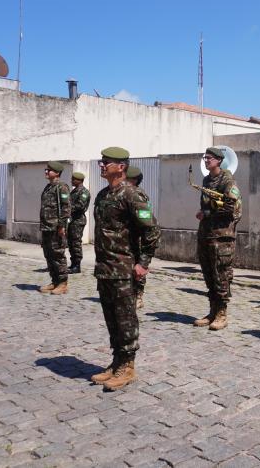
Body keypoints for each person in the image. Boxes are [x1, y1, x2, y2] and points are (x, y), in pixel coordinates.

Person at [89, 147, 160, 391]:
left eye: (106, 162)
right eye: (101, 161)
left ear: (121, 167)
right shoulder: (102, 195)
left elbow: (151, 231)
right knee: (111, 318)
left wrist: (143, 263)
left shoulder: (133, 195)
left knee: (125, 318)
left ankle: (128, 366)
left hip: (124, 268)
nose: (101, 165)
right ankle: (117, 361)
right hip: (105, 267)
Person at [193, 147, 242, 331]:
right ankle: (212, 311)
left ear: (219, 161)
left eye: (210, 158)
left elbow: (230, 207)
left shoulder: (227, 180)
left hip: (222, 236)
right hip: (206, 234)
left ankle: (222, 312)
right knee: (208, 273)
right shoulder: (206, 180)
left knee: (221, 273)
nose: (206, 161)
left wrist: (206, 212)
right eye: (205, 157)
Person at [39, 161, 72, 295]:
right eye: (46, 170)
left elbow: (66, 207)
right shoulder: (48, 187)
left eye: (49, 170)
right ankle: (54, 281)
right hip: (46, 226)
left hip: (56, 227)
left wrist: (62, 226)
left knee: (58, 255)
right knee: (48, 255)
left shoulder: (61, 187)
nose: (46, 172)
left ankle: (63, 283)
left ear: (57, 173)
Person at [126, 166, 147, 309]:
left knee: (138, 267)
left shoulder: (139, 194)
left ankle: (139, 295)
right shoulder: (124, 193)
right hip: (127, 237)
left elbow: (146, 218)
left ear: (133, 180)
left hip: (137, 237)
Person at [67, 172, 91, 274]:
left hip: (78, 220)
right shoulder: (74, 191)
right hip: (72, 220)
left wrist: (67, 209)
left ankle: (77, 265)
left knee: (76, 243)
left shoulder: (84, 192)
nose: (72, 180)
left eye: (73, 179)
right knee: (71, 243)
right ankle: (73, 264)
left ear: (79, 180)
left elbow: (80, 206)